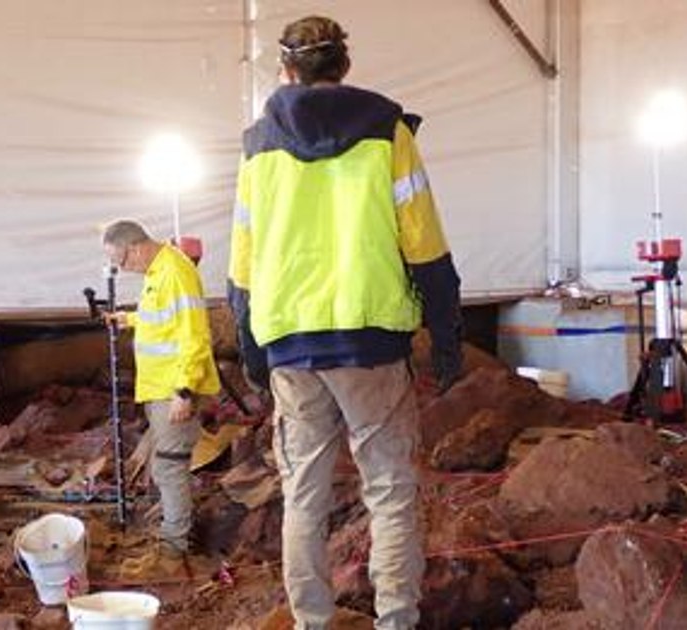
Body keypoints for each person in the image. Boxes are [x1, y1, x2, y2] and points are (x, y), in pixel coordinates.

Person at [228, 16, 462, 630]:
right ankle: (396, 621)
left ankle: (313, 623)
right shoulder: (387, 131)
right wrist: (446, 331)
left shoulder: (258, 146)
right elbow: (423, 239)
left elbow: (243, 256)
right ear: (345, 66)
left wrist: (251, 344)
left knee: (302, 496)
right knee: (388, 490)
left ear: (285, 71)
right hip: (371, 339)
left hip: (290, 343)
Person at [100, 219, 221, 574]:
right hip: (160, 389)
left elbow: (194, 336)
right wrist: (128, 319)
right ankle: (171, 543)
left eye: (121, 261)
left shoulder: (175, 271)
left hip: (174, 390)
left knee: (169, 468)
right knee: (164, 467)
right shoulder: (157, 272)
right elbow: (162, 319)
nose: (122, 269)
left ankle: (172, 554)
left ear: (135, 247)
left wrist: (185, 391)